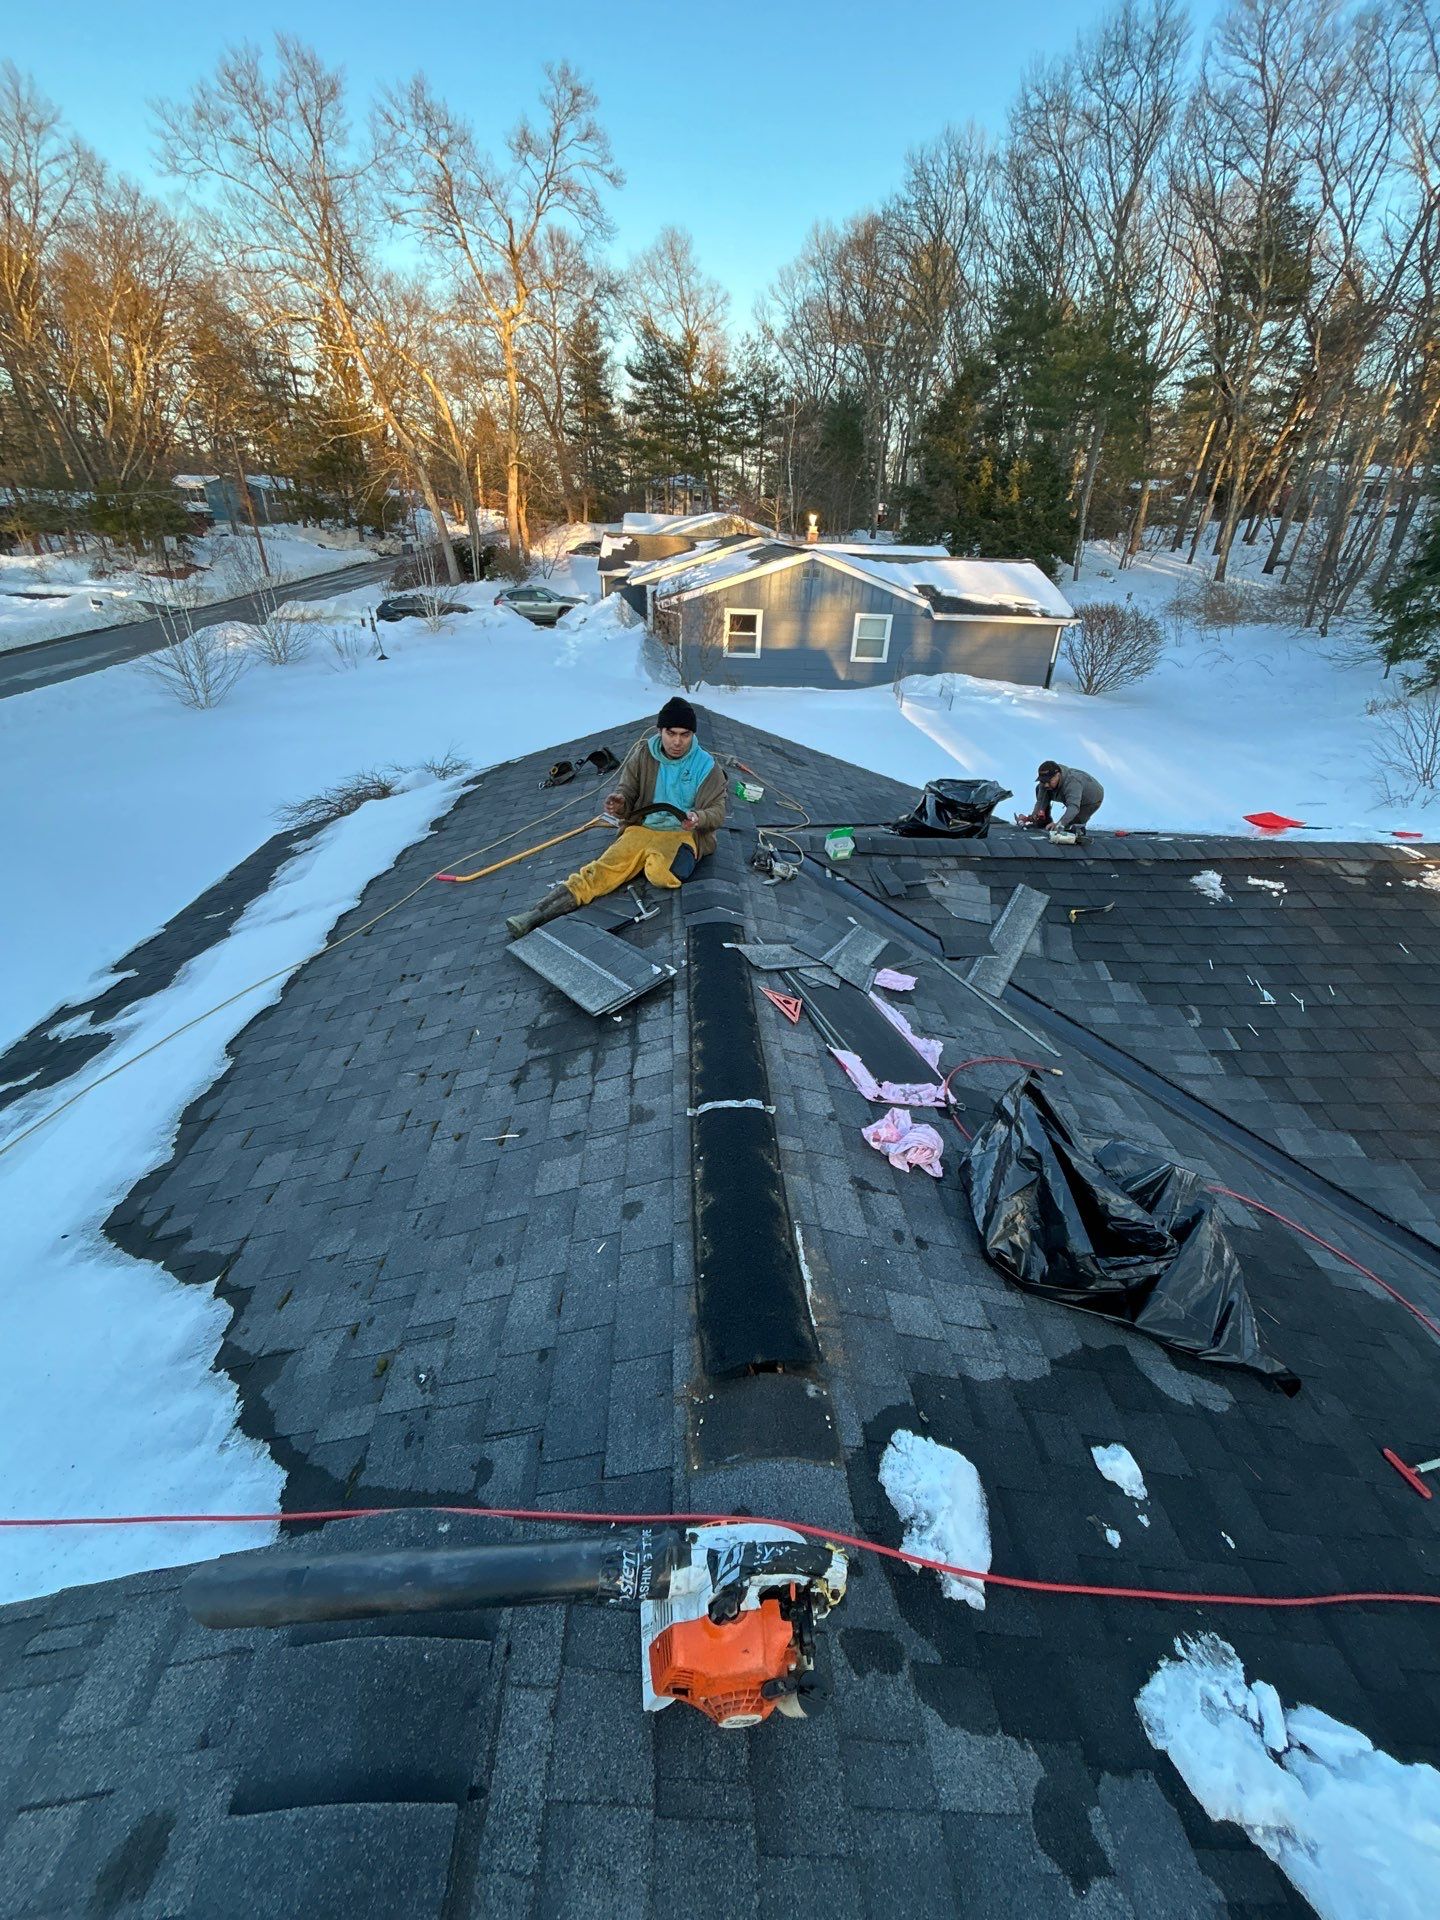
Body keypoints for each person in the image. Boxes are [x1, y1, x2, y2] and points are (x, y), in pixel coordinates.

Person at [505, 697, 729, 938]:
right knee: (598, 872)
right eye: (671, 733)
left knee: (662, 876)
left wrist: (699, 817)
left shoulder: (706, 765)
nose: (677, 741)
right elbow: (627, 791)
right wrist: (620, 802)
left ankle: (646, 862)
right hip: (642, 828)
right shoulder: (644, 754)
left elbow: (717, 810)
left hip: (682, 833)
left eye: (685, 734)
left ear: (693, 734)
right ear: (660, 731)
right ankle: (535, 915)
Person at [1017, 760, 1104, 843]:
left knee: (1070, 828)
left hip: (1090, 801)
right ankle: (1044, 822)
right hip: (1069, 796)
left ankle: (1078, 830)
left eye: (1049, 781)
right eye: (1043, 781)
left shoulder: (1072, 782)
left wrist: (1059, 824)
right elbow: (1040, 802)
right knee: (1039, 789)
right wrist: (1033, 817)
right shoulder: (1045, 784)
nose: (1046, 784)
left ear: (1058, 775)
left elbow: (1073, 808)